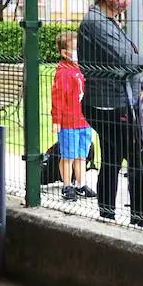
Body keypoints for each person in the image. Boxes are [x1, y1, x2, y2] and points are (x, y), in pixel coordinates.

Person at [78, 0, 143, 224]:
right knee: (136, 157)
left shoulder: (107, 21)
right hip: (110, 103)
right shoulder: (97, 22)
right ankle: (141, 216)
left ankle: (107, 213)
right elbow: (126, 60)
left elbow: (122, 62)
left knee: (111, 158)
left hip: (111, 100)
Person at [50, 31, 95, 202]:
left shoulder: (82, 68)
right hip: (69, 122)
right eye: (75, 48)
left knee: (82, 154)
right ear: (64, 52)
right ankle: (67, 185)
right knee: (68, 155)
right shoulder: (63, 73)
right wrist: (57, 120)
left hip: (85, 120)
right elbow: (58, 98)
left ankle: (81, 184)